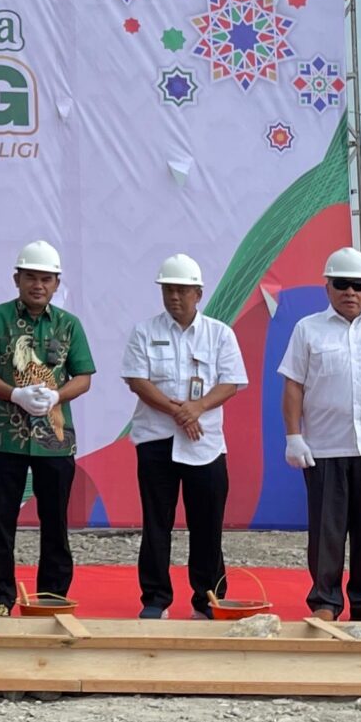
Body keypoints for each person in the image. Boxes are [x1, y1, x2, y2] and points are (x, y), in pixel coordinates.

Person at [277, 246, 361, 622]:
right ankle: (325, 601)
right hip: (324, 447)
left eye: (358, 285)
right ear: (328, 287)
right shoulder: (308, 330)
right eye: (342, 284)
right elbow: (293, 386)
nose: (350, 292)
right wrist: (294, 435)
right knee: (327, 532)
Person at [0, 240, 97, 616]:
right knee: (2, 521)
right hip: (6, 437)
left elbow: (84, 376)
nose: (37, 285)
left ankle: (52, 596)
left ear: (57, 283)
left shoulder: (69, 325)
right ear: (16, 279)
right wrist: (14, 393)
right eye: (30, 277)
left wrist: (56, 396)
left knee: (54, 521)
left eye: (45, 278)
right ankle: (1, 598)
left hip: (54, 440)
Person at [120, 254, 246, 619]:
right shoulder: (145, 331)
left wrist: (198, 408)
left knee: (207, 525)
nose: (174, 297)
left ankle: (207, 600)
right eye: (168, 290)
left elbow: (231, 382)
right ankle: (155, 600)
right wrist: (178, 411)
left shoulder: (219, 333)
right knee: (156, 523)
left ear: (199, 293)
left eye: (182, 290)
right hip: (155, 439)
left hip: (204, 443)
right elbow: (137, 381)